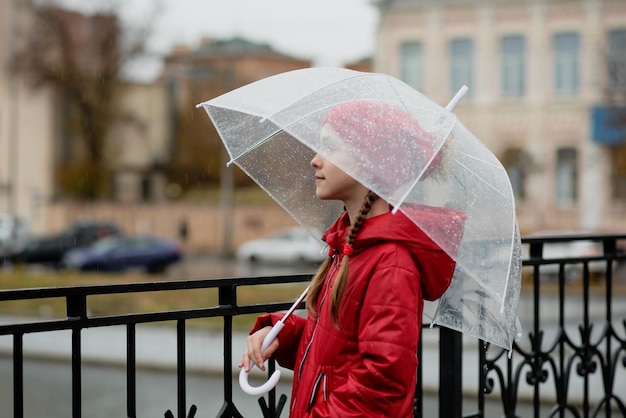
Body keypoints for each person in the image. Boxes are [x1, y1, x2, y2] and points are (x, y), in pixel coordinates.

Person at [239, 101, 463, 417]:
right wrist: (284, 335)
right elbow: (338, 349)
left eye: (330, 148)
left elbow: (381, 388)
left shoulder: (391, 264)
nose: (315, 161)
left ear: (370, 161)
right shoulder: (350, 247)